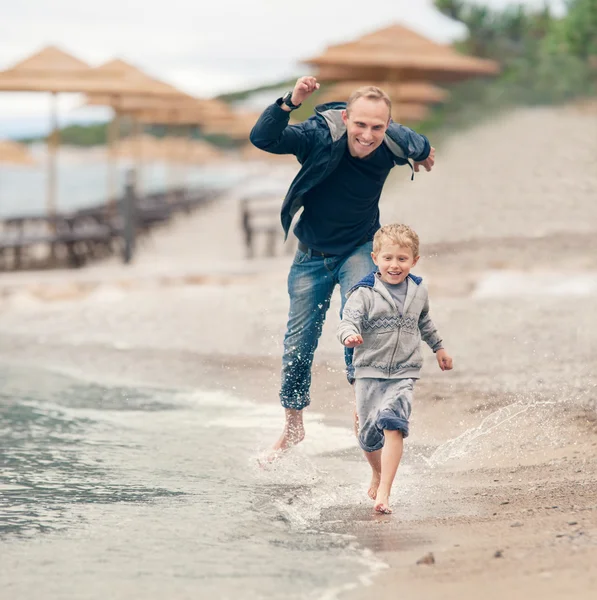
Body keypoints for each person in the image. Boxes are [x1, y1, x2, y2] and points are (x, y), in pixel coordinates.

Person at [249, 76, 436, 457]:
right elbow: (263, 138)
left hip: (359, 247)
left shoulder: (391, 142)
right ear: (345, 117)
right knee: (298, 344)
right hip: (310, 254)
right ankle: (293, 426)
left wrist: (423, 150)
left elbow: (419, 143)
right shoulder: (319, 136)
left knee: (360, 321)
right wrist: (290, 102)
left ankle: (362, 409)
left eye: (377, 127)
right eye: (360, 125)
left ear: (387, 127)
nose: (367, 136)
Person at [337, 223, 453, 513]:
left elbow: (424, 322)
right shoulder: (363, 293)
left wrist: (439, 348)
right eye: (388, 258)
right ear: (375, 258)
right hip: (368, 370)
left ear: (414, 261)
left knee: (394, 424)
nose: (394, 265)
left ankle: (385, 493)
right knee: (367, 434)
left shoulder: (418, 290)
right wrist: (349, 336)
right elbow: (347, 320)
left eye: (402, 259)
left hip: (404, 371)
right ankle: (376, 472)